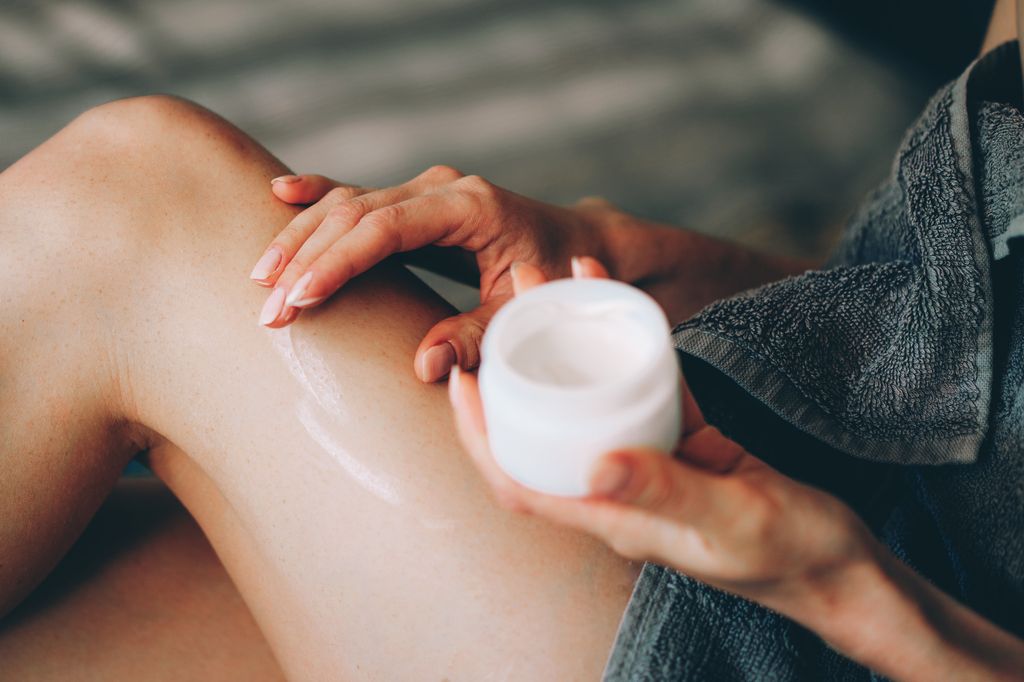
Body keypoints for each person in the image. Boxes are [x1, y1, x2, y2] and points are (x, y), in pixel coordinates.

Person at [2, 4, 1023, 682]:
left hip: (821, 627)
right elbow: (962, 302)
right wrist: (636, 257)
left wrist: (846, 590)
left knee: (137, 195)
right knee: (56, 617)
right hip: (793, 487)